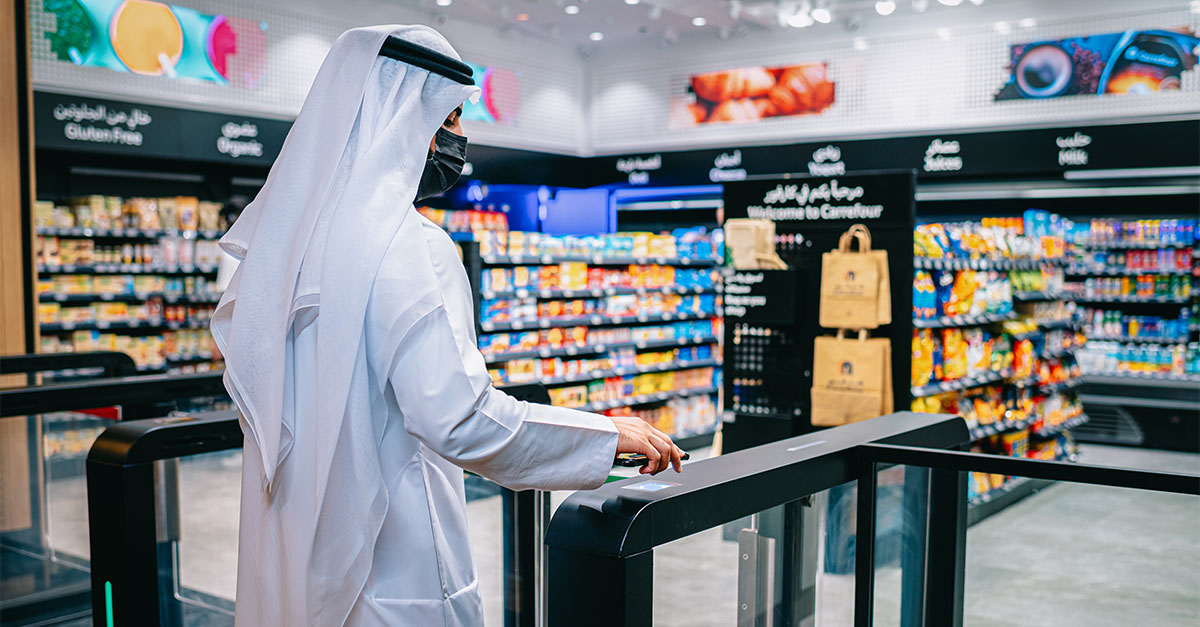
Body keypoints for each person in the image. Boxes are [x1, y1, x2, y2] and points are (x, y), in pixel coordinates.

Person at [210, 25, 684, 626]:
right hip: (395, 572)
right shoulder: (410, 247)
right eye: (453, 119)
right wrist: (601, 435)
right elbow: (460, 419)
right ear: (409, 118)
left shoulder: (292, 247)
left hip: (307, 559)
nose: (462, 139)